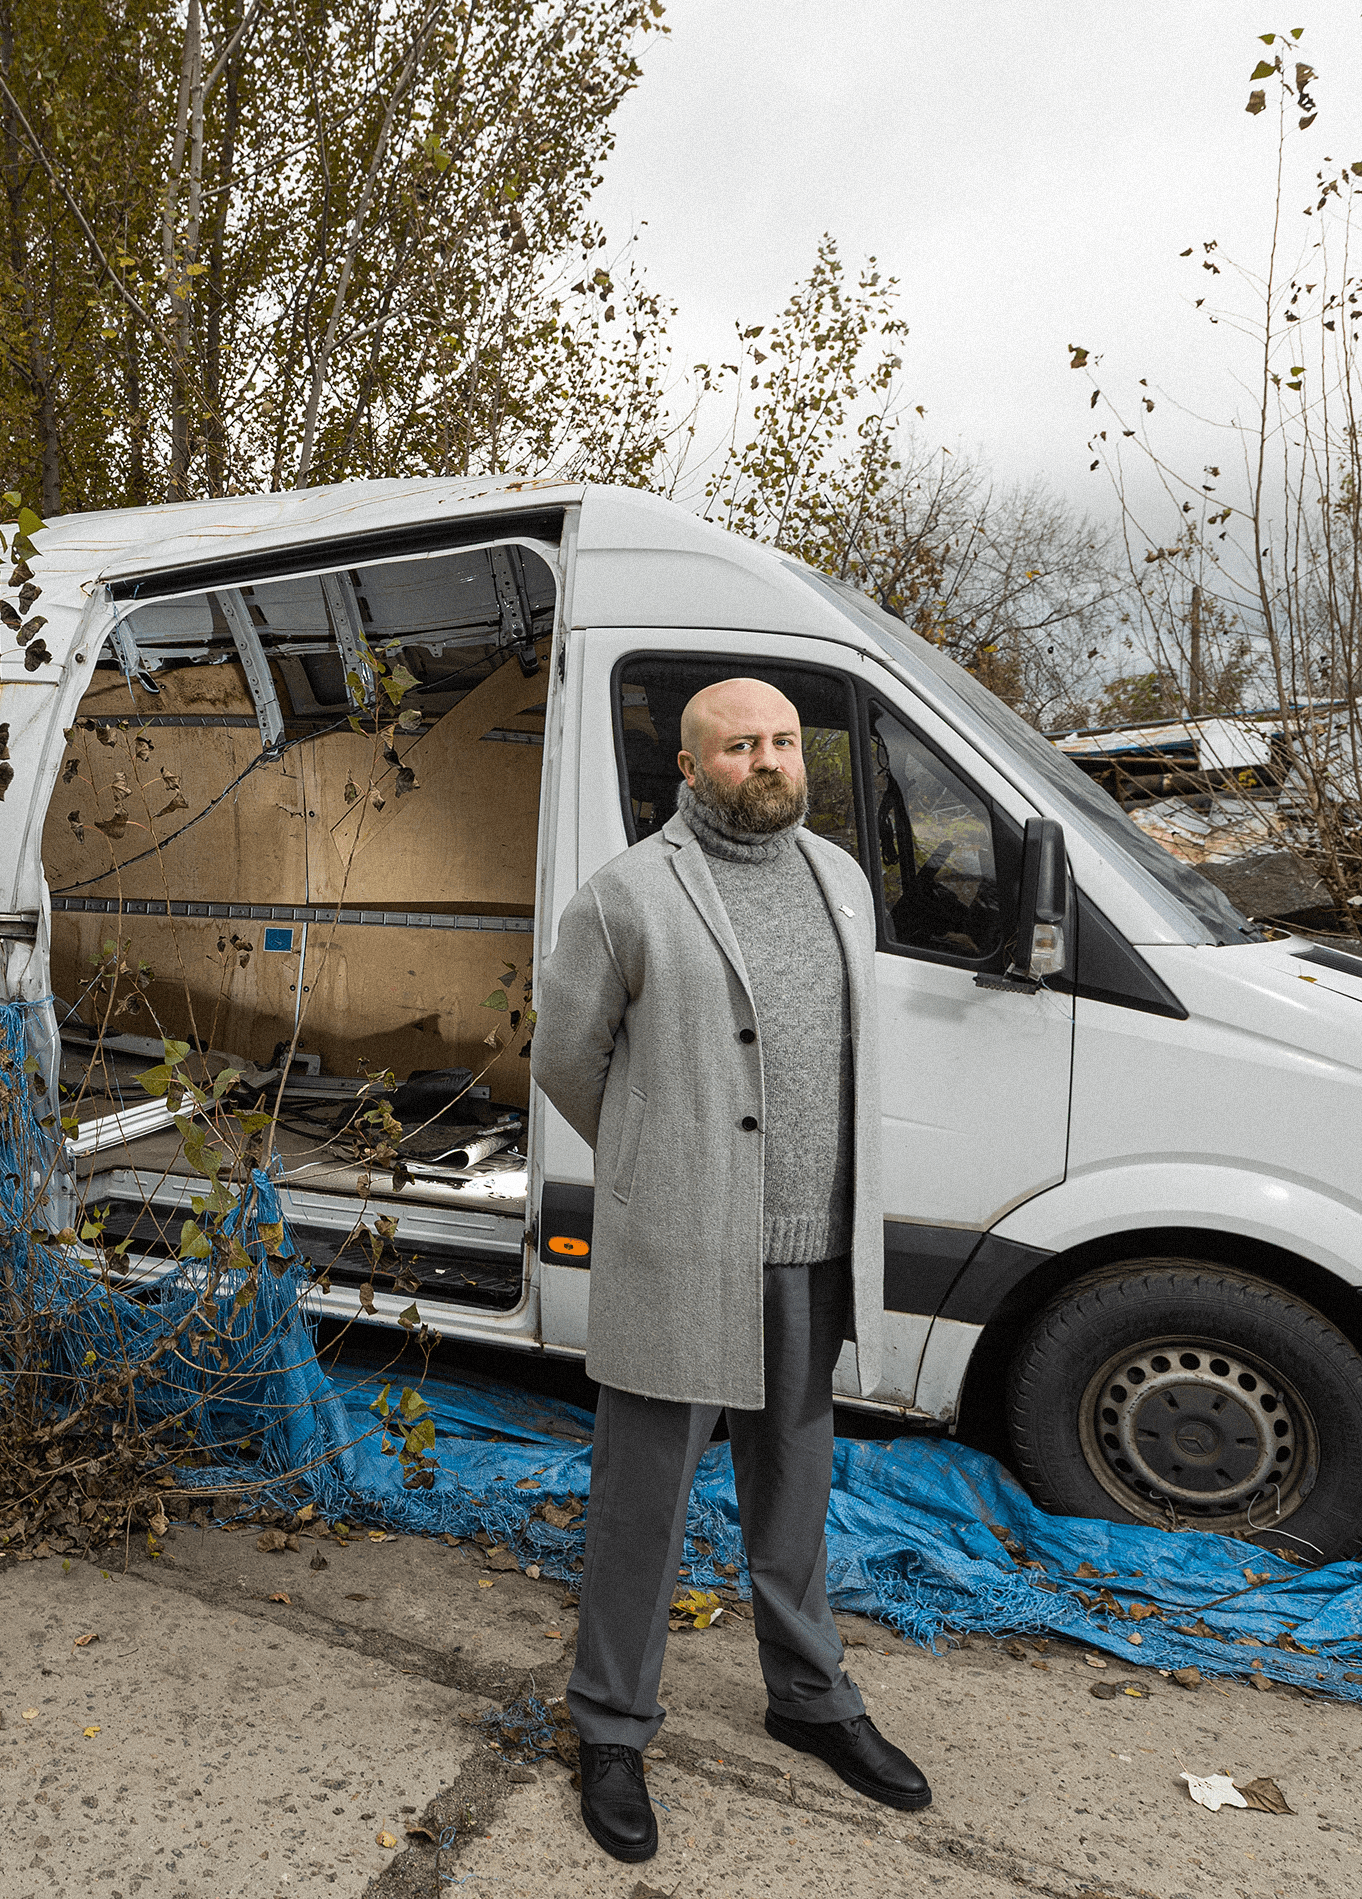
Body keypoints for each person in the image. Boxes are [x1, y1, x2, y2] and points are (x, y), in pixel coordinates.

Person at [531, 676, 931, 1865]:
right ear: (691, 766)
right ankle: (610, 1724)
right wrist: (665, 1161)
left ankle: (810, 1698)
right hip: (686, 1244)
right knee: (641, 1502)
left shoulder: (841, 879)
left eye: (782, 741)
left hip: (818, 1245)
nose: (769, 760)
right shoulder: (627, 894)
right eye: (740, 746)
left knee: (795, 1492)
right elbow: (565, 1056)